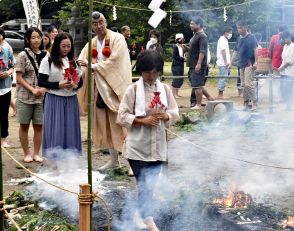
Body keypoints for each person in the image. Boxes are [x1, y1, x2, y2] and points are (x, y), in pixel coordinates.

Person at [117, 50, 179, 231]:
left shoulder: (165, 89)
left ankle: (139, 212)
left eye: (155, 72)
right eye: (147, 72)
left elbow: (175, 113)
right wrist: (141, 120)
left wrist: (166, 115)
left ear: (159, 71)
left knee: (150, 184)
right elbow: (121, 116)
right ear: (141, 71)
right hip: (137, 147)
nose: (151, 76)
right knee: (145, 183)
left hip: (158, 147)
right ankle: (148, 219)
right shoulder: (133, 90)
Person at [77, 11, 132, 170]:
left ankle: (131, 163)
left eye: (101, 22)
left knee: (122, 123)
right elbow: (82, 61)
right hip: (98, 90)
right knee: (105, 125)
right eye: (95, 24)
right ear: (91, 26)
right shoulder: (91, 43)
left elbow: (115, 61)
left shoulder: (118, 38)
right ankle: (113, 161)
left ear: (106, 22)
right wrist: (80, 70)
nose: (98, 26)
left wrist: (92, 66)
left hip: (115, 89)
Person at [38, 32, 83, 159]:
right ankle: (55, 159)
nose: (66, 49)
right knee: (56, 129)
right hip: (54, 99)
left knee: (70, 129)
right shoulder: (48, 60)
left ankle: (70, 158)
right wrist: (59, 84)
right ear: (57, 45)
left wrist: (75, 85)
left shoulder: (74, 62)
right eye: (63, 46)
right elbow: (41, 82)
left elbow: (81, 82)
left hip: (71, 99)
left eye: (69, 46)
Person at [15, 27, 47, 163]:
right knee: (24, 125)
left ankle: (36, 153)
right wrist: (32, 89)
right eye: (33, 37)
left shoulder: (46, 55)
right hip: (24, 97)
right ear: (27, 39)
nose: (36, 40)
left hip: (41, 97)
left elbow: (49, 76)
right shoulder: (22, 55)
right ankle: (26, 153)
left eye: (38, 37)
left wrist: (44, 88)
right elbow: (19, 77)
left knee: (39, 126)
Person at [188, 17, 214, 110]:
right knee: (196, 83)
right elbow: (194, 50)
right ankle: (210, 97)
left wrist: (199, 63)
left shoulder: (202, 36)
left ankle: (198, 104)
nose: (191, 25)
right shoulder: (195, 35)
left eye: (193, 24)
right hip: (192, 64)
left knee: (197, 85)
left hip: (197, 64)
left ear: (199, 25)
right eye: (191, 23)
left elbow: (202, 51)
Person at [231, 21, 258, 110]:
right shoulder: (239, 39)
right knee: (243, 85)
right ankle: (246, 103)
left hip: (249, 64)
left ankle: (255, 103)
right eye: (238, 28)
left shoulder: (252, 37)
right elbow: (236, 51)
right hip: (241, 64)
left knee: (248, 84)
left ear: (246, 27)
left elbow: (255, 49)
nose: (239, 29)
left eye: (241, 27)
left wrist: (256, 62)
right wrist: (231, 62)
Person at [0, 28, 14, 148]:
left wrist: (8, 73)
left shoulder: (7, 49)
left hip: (5, 87)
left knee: (4, 114)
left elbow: (12, 66)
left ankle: (3, 139)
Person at [277, 31, 294, 110]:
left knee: (288, 89)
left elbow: (289, 61)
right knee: (283, 89)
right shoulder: (285, 46)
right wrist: (279, 69)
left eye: (285, 38)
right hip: (283, 72)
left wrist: (280, 68)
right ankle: (288, 105)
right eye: (283, 39)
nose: (284, 40)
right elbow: (284, 60)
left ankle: (289, 106)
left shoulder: (293, 46)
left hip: (290, 72)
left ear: (289, 37)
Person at [216, 27, 233, 99]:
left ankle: (221, 93)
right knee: (223, 78)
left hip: (223, 62)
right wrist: (226, 62)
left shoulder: (224, 40)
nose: (230, 34)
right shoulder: (222, 40)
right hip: (223, 63)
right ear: (225, 32)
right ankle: (220, 95)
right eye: (230, 32)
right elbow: (223, 51)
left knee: (223, 77)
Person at [171, 33, 185, 98]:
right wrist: (182, 59)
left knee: (180, 79)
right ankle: (173, 94)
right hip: (176, 65)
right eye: (180, 39)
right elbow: (174, 56)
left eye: (182, 39)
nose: (182, 40)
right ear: (177, 39)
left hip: (181, 65)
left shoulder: (182, 46)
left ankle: (177, 93)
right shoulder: (175, 47)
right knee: (176, 79)